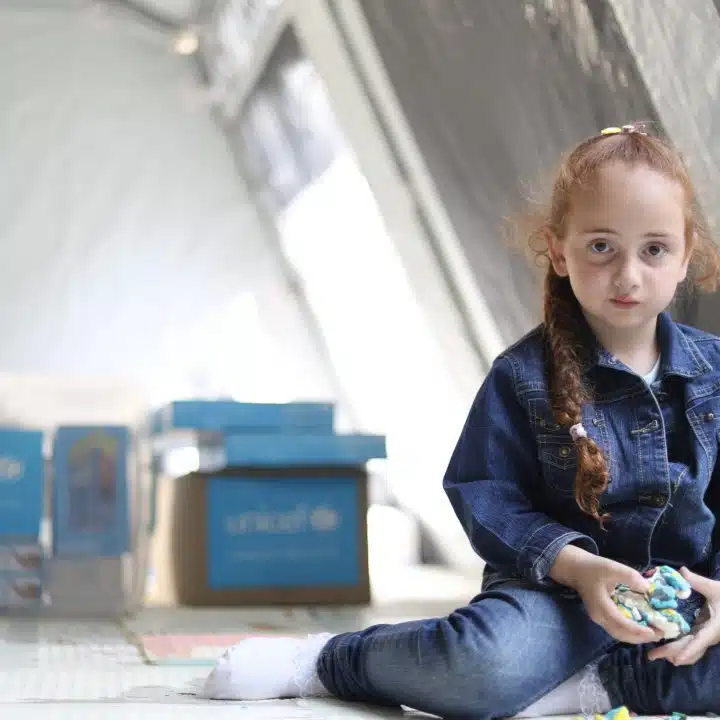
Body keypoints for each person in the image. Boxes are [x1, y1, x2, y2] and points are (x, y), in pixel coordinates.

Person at [201, 124, 720, 718]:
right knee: (483, 663)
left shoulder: (715, 373)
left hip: (680, 606)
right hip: (551, 601)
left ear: (685, 256)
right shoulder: (523, 376)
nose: (628, 275)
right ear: (558, 250)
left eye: (654, 250)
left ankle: (592, 686)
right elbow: (485, 495)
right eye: (601, 247)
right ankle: (328, 660)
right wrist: (577, 568)